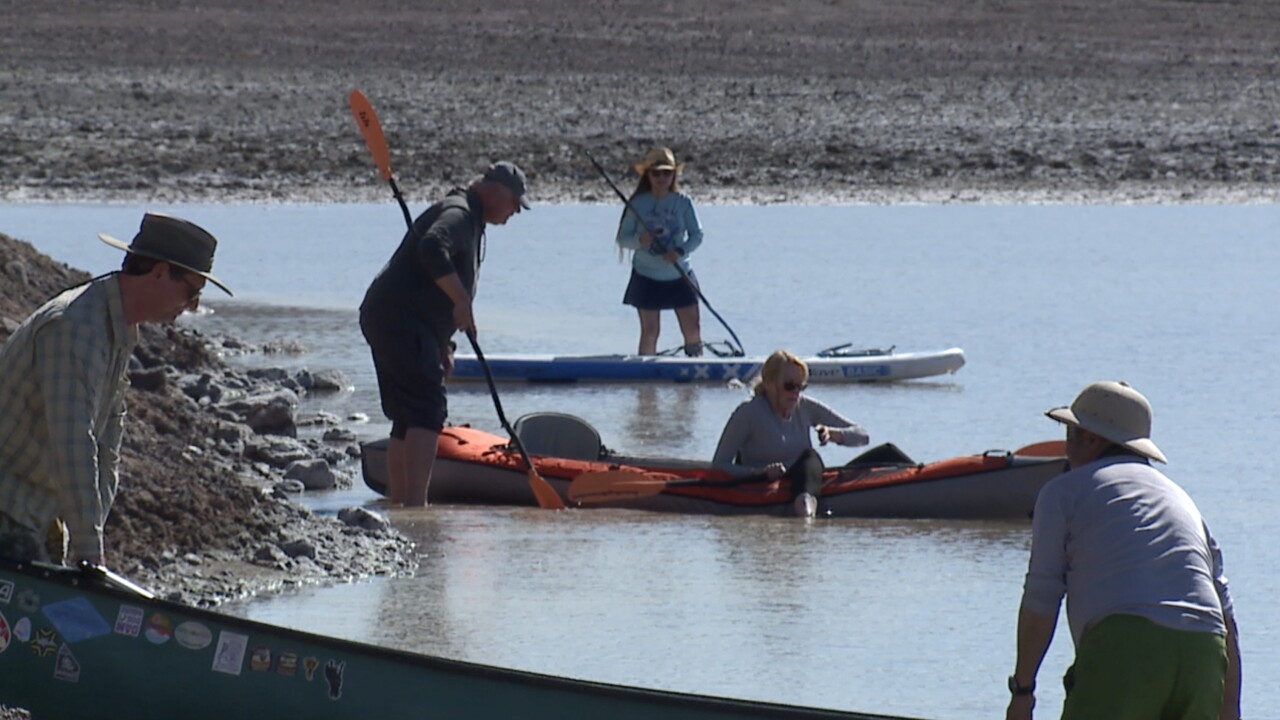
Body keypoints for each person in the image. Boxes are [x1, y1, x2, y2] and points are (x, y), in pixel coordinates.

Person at [0, 212, 231, 566]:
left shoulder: (116, 329)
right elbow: (73, 443)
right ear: (159, 272)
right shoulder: (74, 327)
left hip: (35, 512)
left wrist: (90, 542)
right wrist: (90, 549)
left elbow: (107, 446)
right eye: (191, 291)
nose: (194, 306)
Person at [1007, 381, 1242, 720]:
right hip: (1204, 651)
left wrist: (1023, 692)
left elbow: (1041, 596)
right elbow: (1226, 617)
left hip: (1127, 648)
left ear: (1091, 439)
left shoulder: (1063, 492)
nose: (1066, 447)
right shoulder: (1182, 501)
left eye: (1070, 434)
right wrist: (1230, 709)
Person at [359, 161, 530, 507]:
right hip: (401, 321)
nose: (515, 213)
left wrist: (443, 344)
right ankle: (416, 506)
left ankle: (400, 504)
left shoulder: (469, 217)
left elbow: (429, 284)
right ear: (495, 191)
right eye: (515, 204)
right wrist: (462, 300)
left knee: (408, 414)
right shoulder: (459, 213)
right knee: (426, 411)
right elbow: (432, 248)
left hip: (392, 317)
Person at [712, 350, 869, 517]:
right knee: (810, 456)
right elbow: (719, 465)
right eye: (789, 386)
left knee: (888, 452)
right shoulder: (748, 412)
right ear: (769, 384)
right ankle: (806, 517)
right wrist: (759, 472)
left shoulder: (805, 406)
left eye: (800, 386)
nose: (796, 393)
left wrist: (833, 434)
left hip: (806, 479)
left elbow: (862, 435)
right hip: (762, 485)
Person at [615, 146, 705, 356]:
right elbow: (622, 238)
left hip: (679, 273)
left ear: (674, 175)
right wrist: (640, 241)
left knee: (692, 330)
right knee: (650, 332)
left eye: (667, 173)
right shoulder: (638, 203)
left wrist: (680, 251)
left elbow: (697, 235)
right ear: (648, 175)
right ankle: (645, 382)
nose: (661, 178)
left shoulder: (683, 202)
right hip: (646, 276)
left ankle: (695, 373)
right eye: (656, 173)